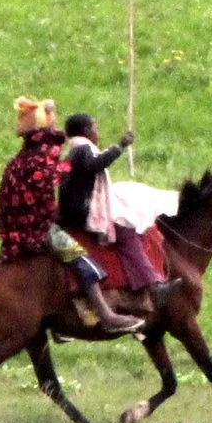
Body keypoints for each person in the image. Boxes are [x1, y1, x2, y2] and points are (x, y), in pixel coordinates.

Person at [0, 97, 139, 335]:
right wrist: (115, 148)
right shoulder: (39, 161)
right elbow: (64, 172)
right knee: (84, 263)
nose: (55, 134)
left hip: (15, 227)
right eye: (50, 130)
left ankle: (66, 323)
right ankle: (106, 315)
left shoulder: (17, 162)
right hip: (37, 228)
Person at [56, 113, 164, 307]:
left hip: (73, 210)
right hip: (82, 212)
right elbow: (95, 165)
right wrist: (120, 146)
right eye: (95, 127)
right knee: (126, 232)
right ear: (87, 131)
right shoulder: (82, 149)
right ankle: (151, 285)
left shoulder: (73, 151)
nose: (97, 132)